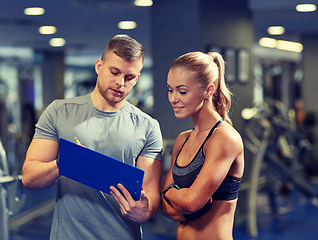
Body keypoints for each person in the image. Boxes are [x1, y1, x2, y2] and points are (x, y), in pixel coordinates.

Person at [22, 35, 163, 240]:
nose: (120, 83)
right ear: (99, 66)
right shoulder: (59, 112)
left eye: (129, 77)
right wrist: (65, 163)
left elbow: (151, 194)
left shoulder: (147, 127)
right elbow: (29, 177)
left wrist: (145, 210)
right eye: (114, 72)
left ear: (137, 78)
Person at [161, 51, 244, 240]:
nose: (173, 98)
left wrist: (170, 192)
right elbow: (166, 209)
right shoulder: (183, 140)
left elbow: (191, 203)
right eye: (170, 89)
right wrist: (177, 197)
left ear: (208, 90)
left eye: (182, 91)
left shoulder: (224, 138)